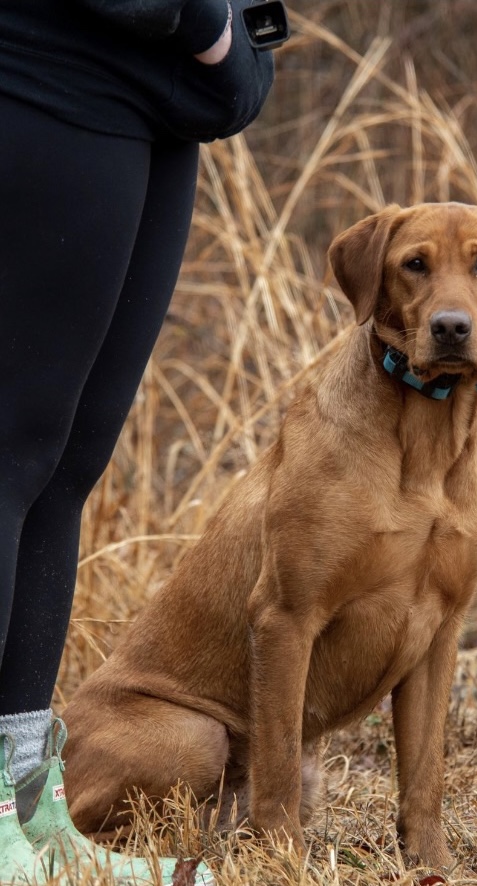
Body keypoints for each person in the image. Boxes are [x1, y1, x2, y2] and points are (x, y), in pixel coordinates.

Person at [0, 1, 279, 882]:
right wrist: (203, 21)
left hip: (157, 103)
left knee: (64, 468)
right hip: (52, 72)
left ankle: (19, 808)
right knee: (8, 456)